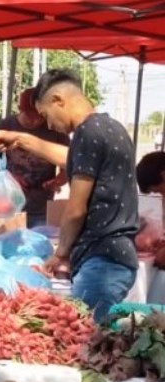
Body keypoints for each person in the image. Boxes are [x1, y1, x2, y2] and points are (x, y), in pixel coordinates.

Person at [31, 69, 138, 321]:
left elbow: (76, 207)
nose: (49, 125)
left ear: (59, 99)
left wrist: (60, 254)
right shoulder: (113, 127)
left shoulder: (86, 133)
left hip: (102, 261)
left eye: (46, 115)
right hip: (117, 256)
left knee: (82, 344)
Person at [0, 88, 70, 228]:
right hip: (10, 206)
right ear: (20, 109)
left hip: (42, 207)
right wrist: (7, 180)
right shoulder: (5, 126)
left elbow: (69, 163)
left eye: (40, 117)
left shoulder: (55, 129)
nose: (36, 121)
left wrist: (58, 181)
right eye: (30, 116)